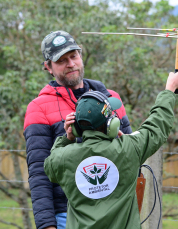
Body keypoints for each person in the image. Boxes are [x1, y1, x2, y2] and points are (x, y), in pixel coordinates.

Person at [44, 69, 178, 229]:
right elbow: (157, 125)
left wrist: (66, 139)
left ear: (76, 127)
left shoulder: (62, 158)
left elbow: (50, 167)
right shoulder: (129, 148)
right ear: (111, 125)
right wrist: (169, 89)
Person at [23, 30, 132, 229]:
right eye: (61, 60)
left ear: (81, 56)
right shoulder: (38, 108)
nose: (71, 64)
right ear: (48, 67)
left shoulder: (112, 99)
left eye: (74, 56)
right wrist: (47, 225)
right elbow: (39, 173)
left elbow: (131, 154)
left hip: (114, 210)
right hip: (67, 214)